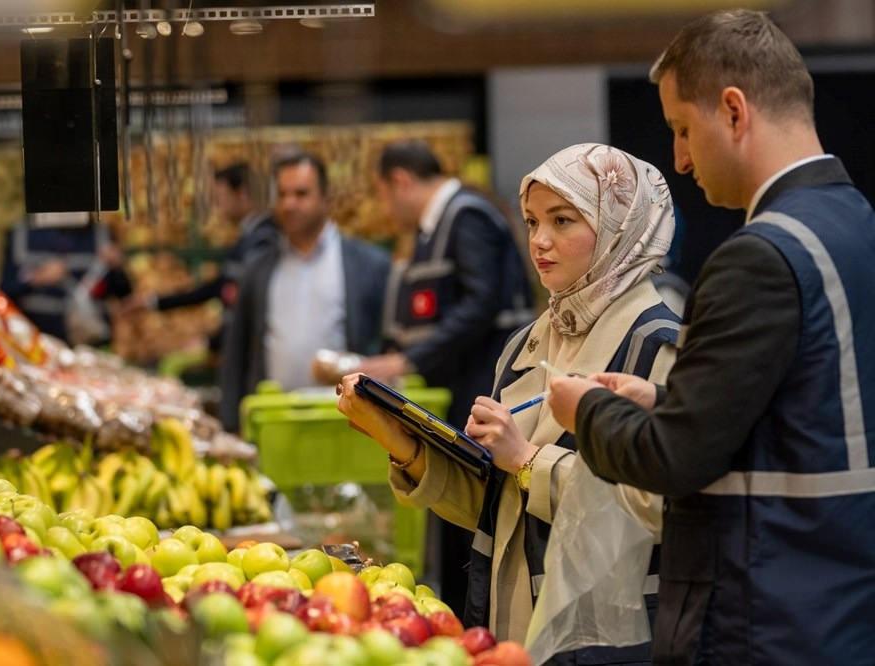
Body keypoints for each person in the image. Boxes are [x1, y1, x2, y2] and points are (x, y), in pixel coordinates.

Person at [546, 10, 875, 665]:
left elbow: (673, 459)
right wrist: (668, 400)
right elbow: (797, 417)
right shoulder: (854, 219)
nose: (679, 158)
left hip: (762, 615)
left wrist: (585, 410)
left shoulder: (758, 255)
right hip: (837, 601)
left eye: (681, 129)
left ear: (733, 110)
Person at [339, 143, 679, 654]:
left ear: (619, 227)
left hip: (610, 640)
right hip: (513, 631)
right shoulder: (526, 344)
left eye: (562, 221)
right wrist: (403, 444)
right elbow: (497, 506)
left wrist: (527, 460)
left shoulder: (660, 345)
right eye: (531, 221)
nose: (539, 241)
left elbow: (655, 510)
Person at [358, 141, 536, 614]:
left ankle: (472, 620)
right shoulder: (436, 228)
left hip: (487, 388)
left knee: (473, 509)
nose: (385, 208)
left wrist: (405, 361)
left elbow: (481, 305)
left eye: (382, 194)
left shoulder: (467, 217)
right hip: (461, 389)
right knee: (457, 513)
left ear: (400, 181)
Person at [219, 152, 390, 432]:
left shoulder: (368, 265)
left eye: (301, 194)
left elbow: (386, 348)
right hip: (274, 421)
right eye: (283, 194)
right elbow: (237, 348)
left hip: (348, 424)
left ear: (326, 198)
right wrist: (230, 423)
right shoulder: (259, 268)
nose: (289, 204)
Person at [126, 162, 278, 316]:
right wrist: (154, 302)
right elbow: (219, 286)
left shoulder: (264, 240)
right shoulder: (250, 237)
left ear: (242, 193)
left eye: (220, 198)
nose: (218, 207)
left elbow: (252, 303)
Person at [0, 213, 132, 345]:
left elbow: (123, 293)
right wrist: (37, 278)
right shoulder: (23, 233)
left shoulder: (101, 234)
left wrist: (116, 268)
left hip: (90, 343)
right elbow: (4, 291)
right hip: (37, 344)